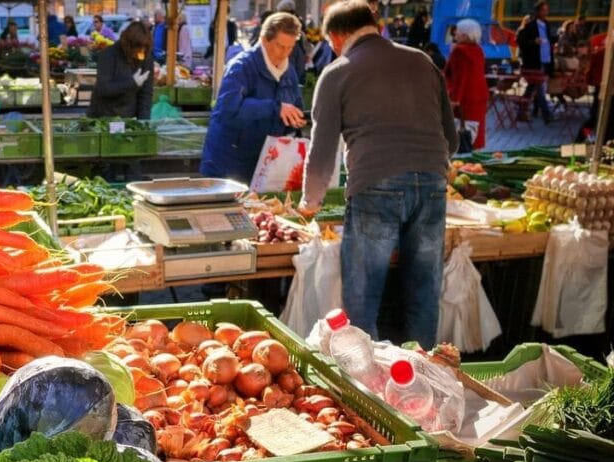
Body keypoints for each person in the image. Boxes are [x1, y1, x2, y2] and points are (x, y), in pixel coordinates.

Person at [300, 0, 458, 349]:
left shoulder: (339, 71)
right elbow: (453, 138)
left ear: (338, 37)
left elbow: (322, 148)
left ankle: (364, 385)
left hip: (376, 185)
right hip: (433, 183)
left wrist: (310, 202)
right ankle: (424, 379)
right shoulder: (422, 61)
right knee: (423, 290)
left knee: (363, 293)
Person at [199, 13, 305, 182]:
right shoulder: (240, 67)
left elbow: (294, 105)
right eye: (280, 46)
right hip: (228, 164)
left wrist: (296, 119)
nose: (285, 53)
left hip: (264, 162)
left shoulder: (289, 72)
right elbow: (228, 111)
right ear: (264, 40)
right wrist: (275, 108)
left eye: (290, 48)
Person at [88, 21, 153, 119]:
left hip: (129, 115)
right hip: (104, 114)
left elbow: (146, 94)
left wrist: (143, 121)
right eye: (138, 47)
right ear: (129, 44)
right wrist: (132, 83)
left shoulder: (146, 58)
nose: (142, 51)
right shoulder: (108, 55)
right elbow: (103, 89)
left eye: (145, 47)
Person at [444, 19, 489, 150]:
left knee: (461, 135)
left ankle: (463, 164)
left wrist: (454, 100)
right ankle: (474, 162)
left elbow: (460, 77)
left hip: (465, 99)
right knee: (475, 136)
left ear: (464, 35)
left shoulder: (459, 51)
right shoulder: (478, 50)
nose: (454, 35)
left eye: (457, 32)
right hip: (479, 96)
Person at [516, 0, 553, 122]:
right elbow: (521, 41)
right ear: (537, 11)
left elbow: (549, 40)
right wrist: (533, 42)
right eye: (543, 10)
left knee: (532, 87)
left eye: (547, 10)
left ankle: (522, 112)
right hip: (534, 62)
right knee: (540, 88)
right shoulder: (530, 25)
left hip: (545, 59)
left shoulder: (547, 25)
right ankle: (547, 116)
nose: (545, 12)